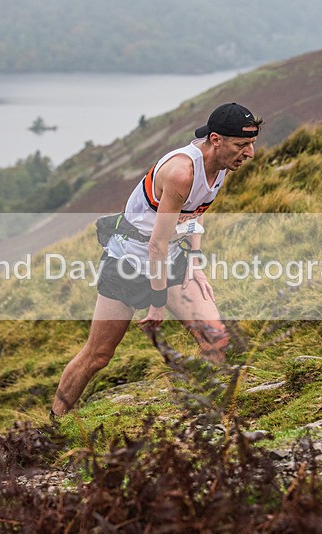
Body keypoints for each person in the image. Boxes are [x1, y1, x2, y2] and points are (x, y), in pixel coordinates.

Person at [51, 103, 262, 416]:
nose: (250, 153)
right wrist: (157, 303)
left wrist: (195, 261)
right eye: (241, 145)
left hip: (170, 256)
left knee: (215, 339)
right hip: (129, 260)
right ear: (216, 139)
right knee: (98, 354)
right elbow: (156, 244)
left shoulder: (221, 164)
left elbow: (195, 215)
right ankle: (54, 423)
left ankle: (209, 416)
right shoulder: (181, 173)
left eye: (252, 143)